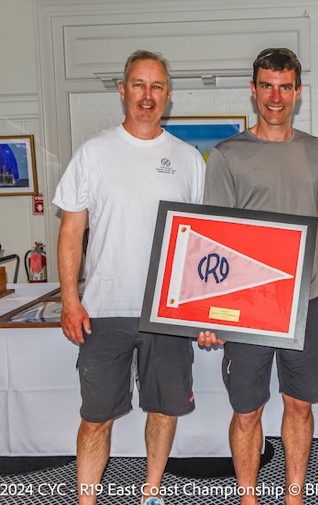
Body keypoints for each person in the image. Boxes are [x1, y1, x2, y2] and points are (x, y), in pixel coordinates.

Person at [53, 49, 206, 505]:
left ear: (168, 95)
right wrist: (69, 300)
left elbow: (200, 244)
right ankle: (87, 499)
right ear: (123, 91)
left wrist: (201, 308)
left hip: (167, 311)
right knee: (96, 417)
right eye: (138, 85)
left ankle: (152, 493)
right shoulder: (93, 154)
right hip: (103, 311)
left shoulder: (188, 160)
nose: (147, 95)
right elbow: (70, 232)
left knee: (162, 411)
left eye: (157, 86)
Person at [197, 47, 318, 505]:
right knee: (247, 409)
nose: (275, 97)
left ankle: (294, 496)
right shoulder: (226, 155)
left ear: (297, 92)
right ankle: (248, 497)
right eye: (266, 86)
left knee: (299, 404)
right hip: (248, 307)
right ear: (253, 89)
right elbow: (214, 238)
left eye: (285, 87)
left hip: (307, 302)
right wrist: (210, 311)